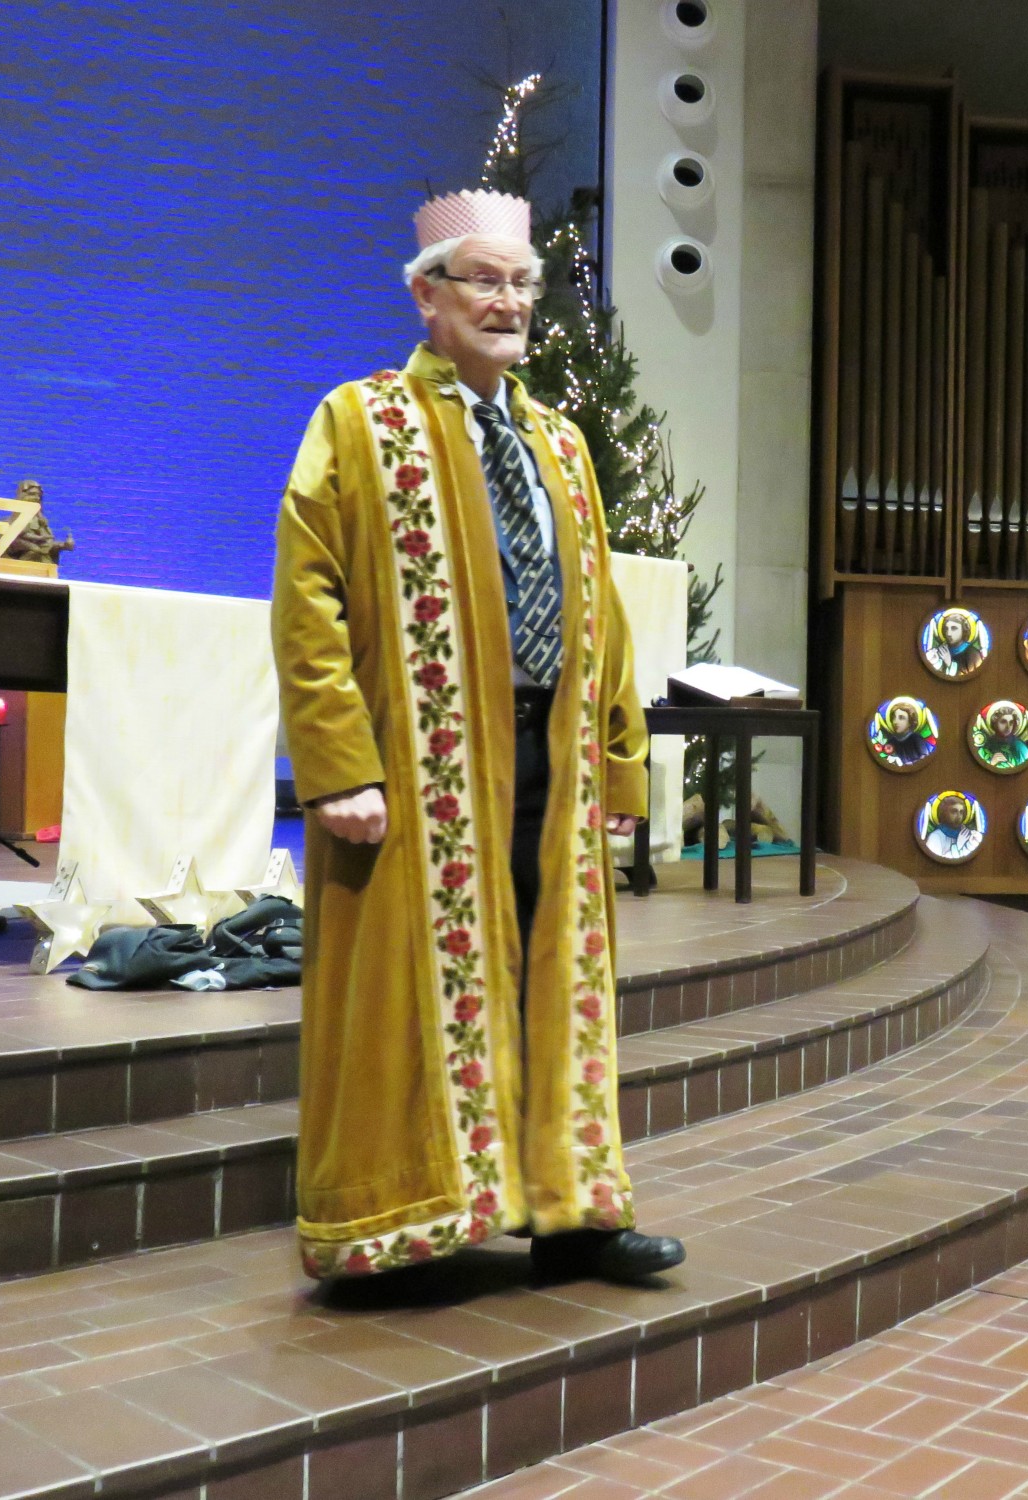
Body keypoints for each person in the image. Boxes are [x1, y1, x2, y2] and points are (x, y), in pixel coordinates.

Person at [270, 189, 684, 1287]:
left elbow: (602, 617)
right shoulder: (359, 423)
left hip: (550, 751)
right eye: (484, 281)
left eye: (522, 285)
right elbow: (306, 602)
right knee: (411, 979)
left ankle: (571, 1216)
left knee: (556, 975)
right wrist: (337, 766)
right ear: (424, 295)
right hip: (416, 759)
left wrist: (622, 768)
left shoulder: (560, 441)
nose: (508, 304)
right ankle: (402, 1218)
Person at [873, 697, 933, 768]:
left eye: (901, 718)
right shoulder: (891, 742)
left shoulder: (916, 739)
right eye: (893, 717)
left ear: (910, 721)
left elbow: (924, 760)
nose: (895, 722)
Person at [924, 609, 985, 677]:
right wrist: (935, 661)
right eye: (946, 629)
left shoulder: (973, 654)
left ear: (964, 630)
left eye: (954, 628)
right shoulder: (941, 650)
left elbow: (968, 679)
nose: (948, 633)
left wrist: (949, 662)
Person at [974, 703, 1028, 771]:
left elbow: (1027, 768)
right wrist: (991, 763)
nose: (1008, 727)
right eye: (1003, 722)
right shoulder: (986, 745)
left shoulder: (1020, 747)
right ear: (995, 723)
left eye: (1011, 722)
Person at [923, 793, 982, 860]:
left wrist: (972, 843)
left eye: (961, 812)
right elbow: (937, 863)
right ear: (944, 813)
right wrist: (957, 846)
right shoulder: (935, 837)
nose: (959, 816)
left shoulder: (967, 834)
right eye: (954, 811)